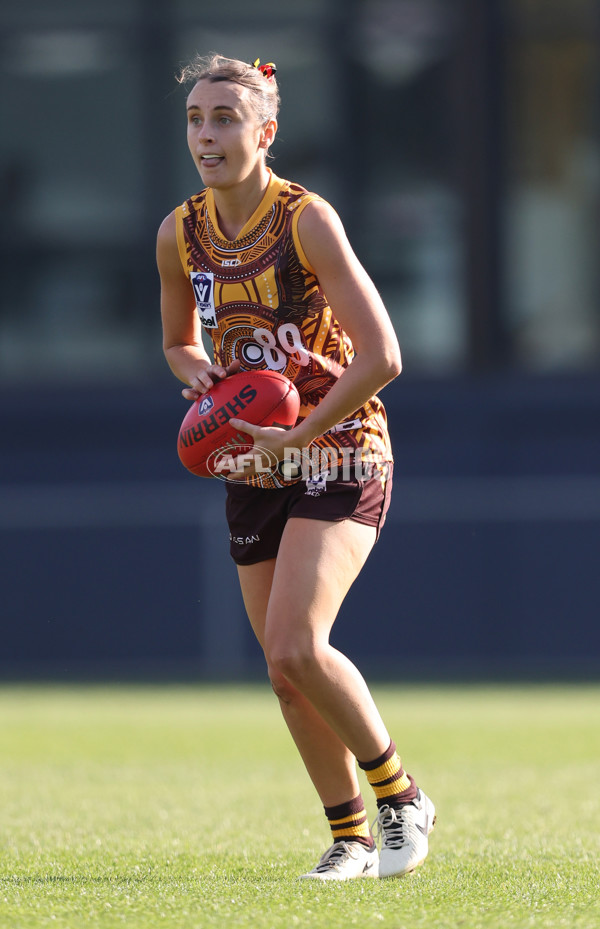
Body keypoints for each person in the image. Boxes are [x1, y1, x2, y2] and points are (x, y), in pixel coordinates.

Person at [157, 53, 435, 880]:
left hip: (342, 444)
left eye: (225, 119)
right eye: (197, 119)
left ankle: (402, 796)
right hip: (257, 458)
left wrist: (306, 428)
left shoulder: (307, 220)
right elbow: (178, 342)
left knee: (297, 644)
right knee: (284, 675)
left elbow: (383, 355)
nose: (206, 135)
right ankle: (350, 835)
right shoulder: (180, 230)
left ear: (265, 131)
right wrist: (195, 374)